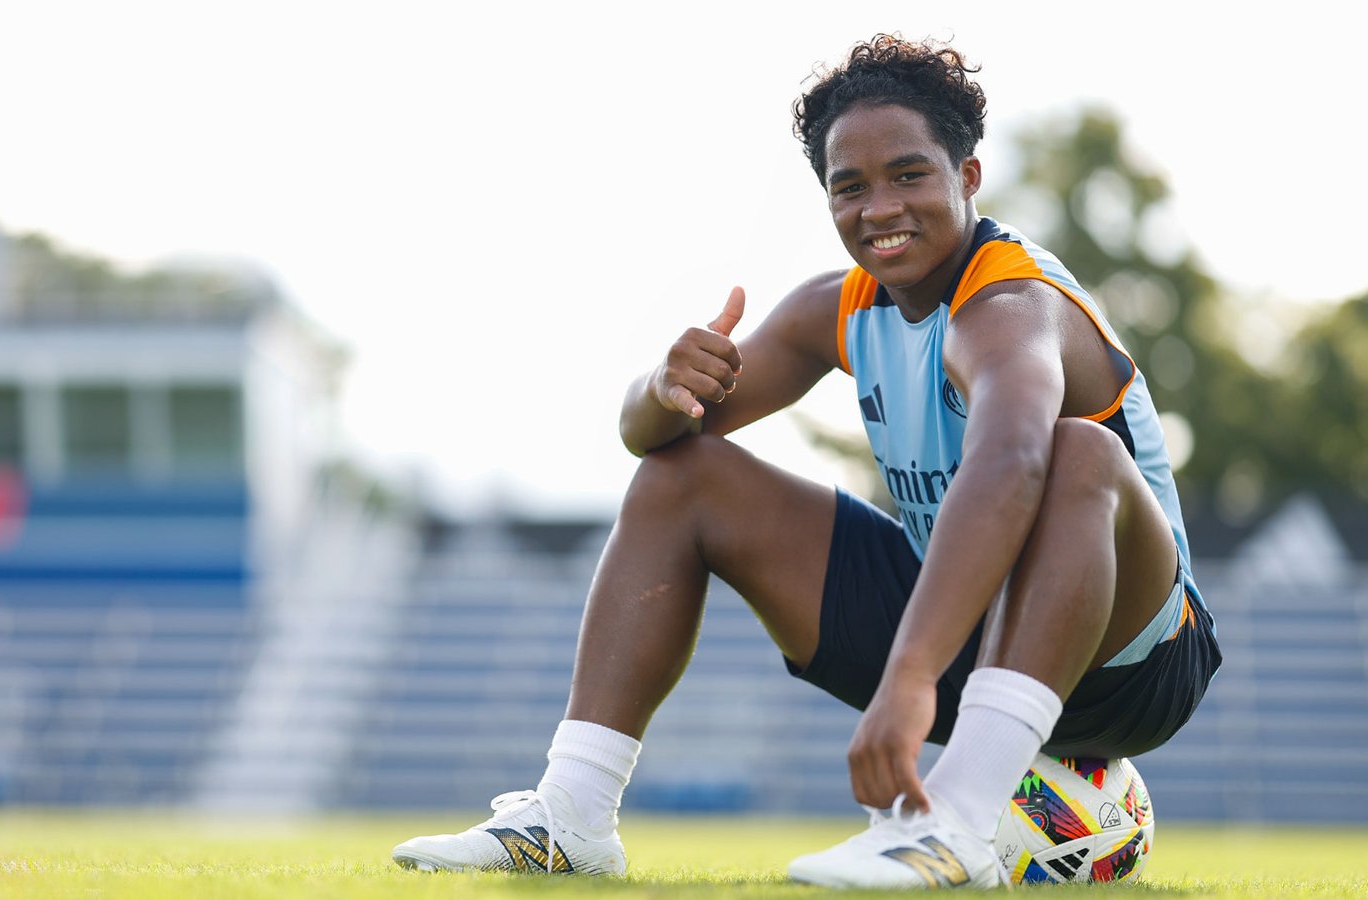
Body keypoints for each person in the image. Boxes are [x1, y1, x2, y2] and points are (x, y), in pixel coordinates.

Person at [392, 34, 1221, 889]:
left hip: (1133, 656)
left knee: (1075, 451)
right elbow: (654, 439)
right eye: (849, 186)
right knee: (687, 472)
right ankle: (571, 813)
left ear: (968, 178)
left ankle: (958, 822)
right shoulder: (839, 307)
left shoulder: (1010, 305)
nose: (880, 208)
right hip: (971, 629)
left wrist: (907, 680)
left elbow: (1013, 463)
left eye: (910, 175)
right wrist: (661, 383)